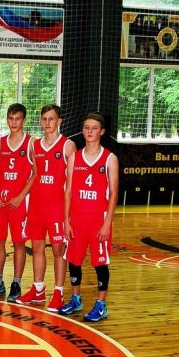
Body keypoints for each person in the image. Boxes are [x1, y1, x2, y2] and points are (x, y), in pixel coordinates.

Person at [59, 111, 119, 322]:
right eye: (86, 128)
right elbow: (68, 191)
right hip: (76, 219)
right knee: (74, 260)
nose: (90, 131)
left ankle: (101, 304)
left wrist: (107, 223)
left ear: (102, 131)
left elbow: (114, 193)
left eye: (94, 128)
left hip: (98, 220)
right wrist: (66, 221)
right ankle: (76, 299)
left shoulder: (110, 158)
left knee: (100, 262)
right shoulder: (74, 157)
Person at [17, 104, 76, 311]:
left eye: (51, 119)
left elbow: (72, 182)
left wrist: (69, 213)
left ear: (59, 121)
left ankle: (59, 292)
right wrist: (22, 196)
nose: (47, 123)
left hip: (57, 207)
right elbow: (35, 173)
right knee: (37, 248)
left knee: (59, 250)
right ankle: (38, 289)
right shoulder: (34, 145)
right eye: (44, 119)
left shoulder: (67, 145)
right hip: (37, 205)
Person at [0, 103, 34, 302]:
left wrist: (21, 196)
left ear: (24, 120)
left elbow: (36, 173)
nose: (14, 122)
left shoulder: (31, 143)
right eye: (11, 118)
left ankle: (16, 283)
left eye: (17, 119)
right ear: (7, 119)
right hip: (0, 202)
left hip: (19, 202)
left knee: (19, 242)